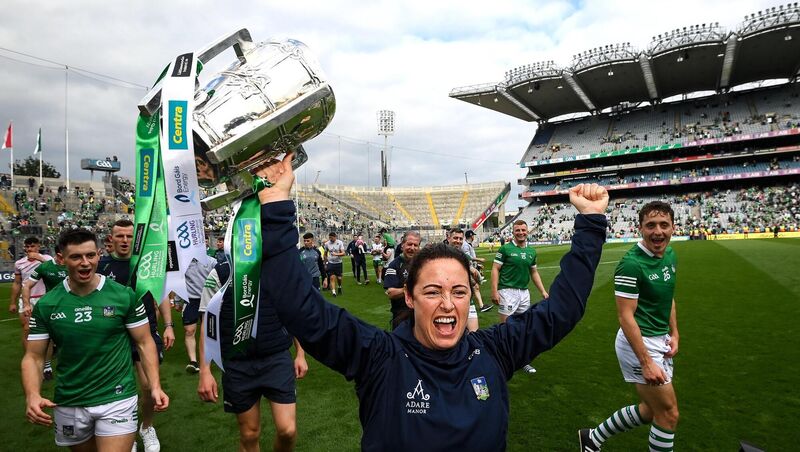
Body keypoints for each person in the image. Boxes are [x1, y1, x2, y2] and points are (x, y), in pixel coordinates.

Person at [253, 155, 608, 450]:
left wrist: (591, 222)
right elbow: (300, 307)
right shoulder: (380, 357)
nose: (448, 304)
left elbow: (562, 310)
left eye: (459, 292)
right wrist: (276, 204)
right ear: (409, 297)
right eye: (433, 291)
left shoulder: (495, 350)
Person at [21, 229, 168, 451]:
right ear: (62, 258)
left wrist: (155, 386)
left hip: (117, 397)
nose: (85, 263)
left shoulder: (124, 296)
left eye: (90, 255)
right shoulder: (47, 305)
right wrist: (32, 395)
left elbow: (144, 342)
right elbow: (33, 357)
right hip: (70, 399)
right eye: (76, 257)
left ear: (99, 254)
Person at [579, 201, 680, 452]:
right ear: (640, 228)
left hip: (660, 339)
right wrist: (646, 362)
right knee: (668, 415)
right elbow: (625, 317)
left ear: (673, 227)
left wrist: (675, 333)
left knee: (649, 410)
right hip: (640, 344)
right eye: (651, 225)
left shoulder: (670, 255)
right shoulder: (631, 264)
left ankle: (592, 438)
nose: (658, 231)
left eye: (664, 225)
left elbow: (668, 298)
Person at [197, 257, 309, 452]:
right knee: (249, 434)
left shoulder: (277, 268)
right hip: (237, 365)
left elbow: (292, 313)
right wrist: (205, 371)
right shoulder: (220, 273)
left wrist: (300, 353)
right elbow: (208, 324)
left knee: (288, 430)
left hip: (276, 358)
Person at [97, 219, 174, 452]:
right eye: (120, 236)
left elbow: (160, 293)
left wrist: (169, 325)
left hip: (145, 332)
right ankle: (124, 434)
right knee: (117, 389)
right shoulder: (100, 266)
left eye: (130, 236)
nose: (125, 240)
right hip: (113, 335)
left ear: (136, 239)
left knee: (149, 387)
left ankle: (146, 427)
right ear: (111, 238)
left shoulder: (146, 262)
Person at [491, 219, 549, 374]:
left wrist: (543, 291)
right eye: (517, 230)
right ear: (513, 232)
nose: (521, 233)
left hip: (524, 293)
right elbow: (495, 269)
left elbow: (534, 272)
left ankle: (523, 360)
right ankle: (503, 359)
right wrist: (494, 291)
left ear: (527, 231)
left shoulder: (531, 251)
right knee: (505, 328)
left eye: (523, 230)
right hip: (507, 291)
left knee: (523, 327)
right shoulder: (505, 249)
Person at [21, 245, 66, 380]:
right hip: (52, 306)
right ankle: (47, 366)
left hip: (72, 305)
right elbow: (27, 285)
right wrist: (26, 304)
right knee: (49, 337)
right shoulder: (45, 267)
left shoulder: (73, 265)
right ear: (59, 255)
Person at [9, 237, 53, 354]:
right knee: (26, 328)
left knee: (47, 330)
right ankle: (29, 356)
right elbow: (17, 283)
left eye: (32, 246)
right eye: (27, 247)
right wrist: (13, 302)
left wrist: (40, 258)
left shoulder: (47, 259)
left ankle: (47, 358)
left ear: (38, 246)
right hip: (25, 299)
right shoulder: (19, 263)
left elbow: (55, 271)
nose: (29, 249)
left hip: (44, 298)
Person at [181, 255, 218, 373]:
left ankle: (208, 359)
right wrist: (176, 300)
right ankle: (193, 362)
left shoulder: (211, 261)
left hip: (208, 299)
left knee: (209, 331)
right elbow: (179, 281)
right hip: (191, 300)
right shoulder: (183, 262)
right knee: (189, 330)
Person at [446, 228, 483, 332]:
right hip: (449, 301)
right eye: (455, 238)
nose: (458, 241)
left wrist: (475, 276)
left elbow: (474, 281)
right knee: (452, 333)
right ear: (449, 238)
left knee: (474, 334)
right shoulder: (441, 255)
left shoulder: (465, 257)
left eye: (460, 239)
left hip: (467, 300)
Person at [383, 230, 421, 330]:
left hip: (421, 315)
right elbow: (391, 293)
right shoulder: (394, 265)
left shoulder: (423, 264)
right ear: (402, 245)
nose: (412, 248)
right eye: (409, 244)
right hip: (401, 317)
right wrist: (409, 289)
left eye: (415, 245)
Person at [323, 232, 346, 297]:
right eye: (329, 237)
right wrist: (325, 263)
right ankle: (333, 292)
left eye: (332, 238)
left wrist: (336, 254)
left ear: (335, 237)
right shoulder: (327, 244)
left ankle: (339, 287)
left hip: (338, 263)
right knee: (332, 277)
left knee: (339, 278)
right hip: (331, 263)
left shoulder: (340, 243)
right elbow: (325, 254)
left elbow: (343, 253)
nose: (330, 239)